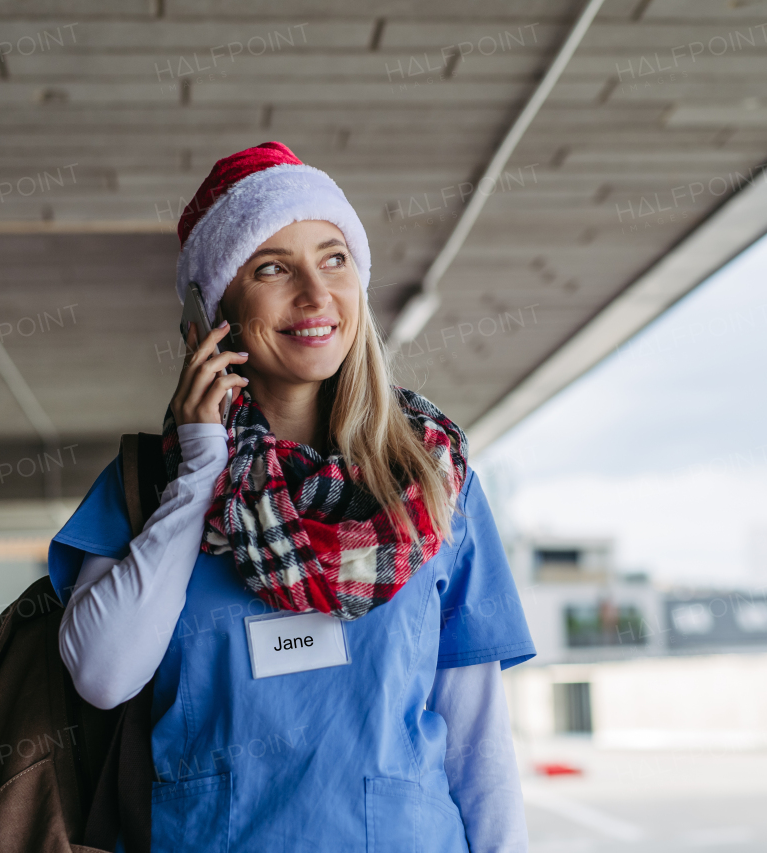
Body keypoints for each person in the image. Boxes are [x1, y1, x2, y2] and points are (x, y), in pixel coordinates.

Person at [48, 142, 535, 852]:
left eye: (333, 258)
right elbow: (101, 675)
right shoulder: (150, 486)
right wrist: (198, 471)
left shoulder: (432, 478)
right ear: (210, 312)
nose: (315, 294)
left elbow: (478, 737)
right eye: (272, 267)